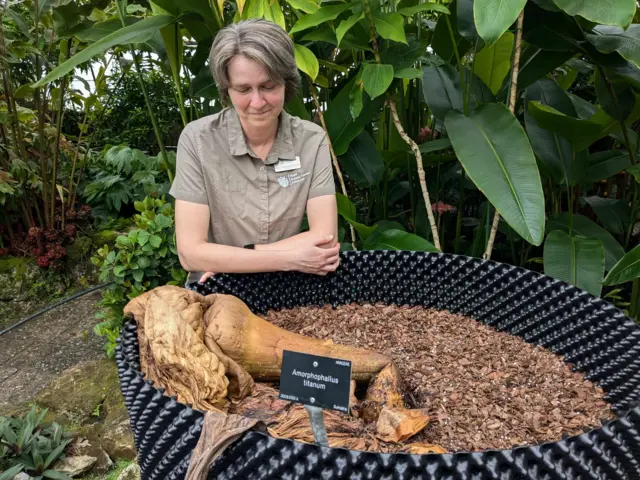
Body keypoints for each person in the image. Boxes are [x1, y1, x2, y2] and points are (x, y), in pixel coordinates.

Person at [169, 18, 340, 285]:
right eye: (243, 89)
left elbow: (325, 238)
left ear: (286, 82)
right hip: (215, 283)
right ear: (226, 88)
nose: (257, 102)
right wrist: (291, 257)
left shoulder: (311, 140)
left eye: (268, 86)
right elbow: (190, 253)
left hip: (284, 283)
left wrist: (227, 260)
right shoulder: (198, 140)